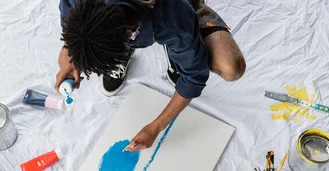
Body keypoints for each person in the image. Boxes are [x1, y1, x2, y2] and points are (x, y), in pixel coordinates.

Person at [55, 0, 246, 152]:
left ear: (128, 34)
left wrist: (156, 127)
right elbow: (68, 12)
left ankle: (178, 49)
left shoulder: (171, 19)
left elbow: (194, 77)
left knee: (231, 68)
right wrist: (71, 49)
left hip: (173, 10)